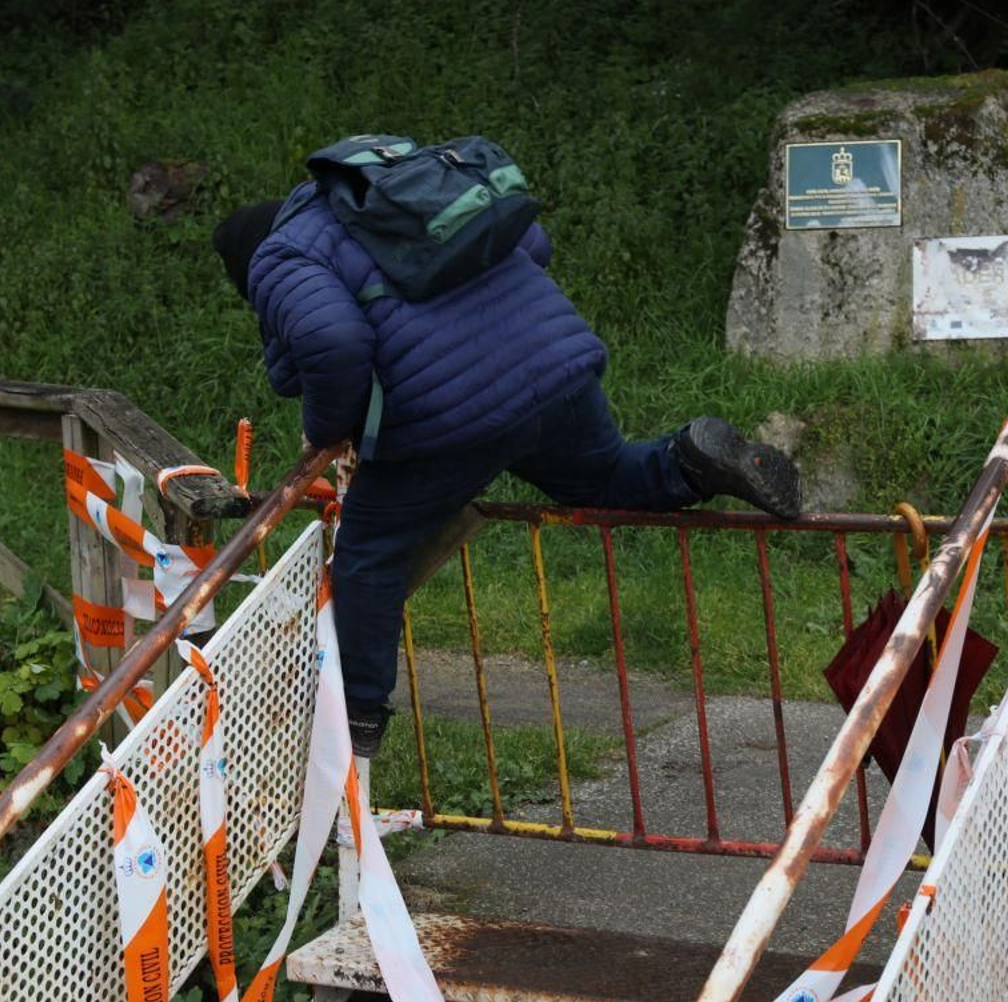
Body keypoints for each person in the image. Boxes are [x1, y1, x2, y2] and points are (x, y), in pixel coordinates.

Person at [212, 190, 800, 758]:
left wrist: (326, 429)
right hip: (549, 359)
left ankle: (357, 713)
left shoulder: (280, 255)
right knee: (605, 476)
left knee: (370, 546)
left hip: (455, 410)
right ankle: (691, 459)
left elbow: (334, 344)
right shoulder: (373, 202)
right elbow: (531, 240)